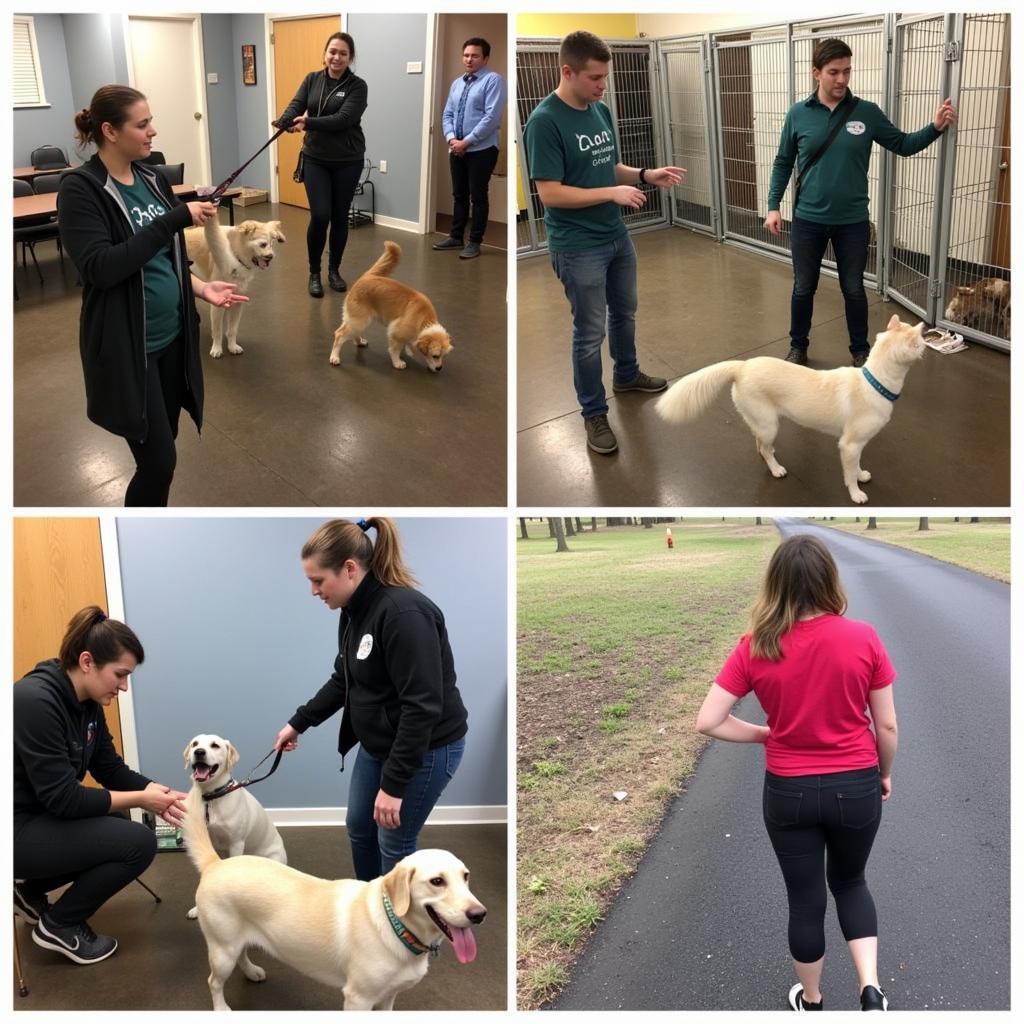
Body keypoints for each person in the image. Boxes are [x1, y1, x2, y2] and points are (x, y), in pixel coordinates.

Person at [696, 534, 898, 1012]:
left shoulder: (756, 645)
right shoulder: (863, 636)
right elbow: (886, 724)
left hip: (789, 791)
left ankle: (811, 1000)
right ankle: (870, 990)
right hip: (856, 783)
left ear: (776, 585)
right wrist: (882, 773)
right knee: (850, 882)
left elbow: (708, 720)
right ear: (829, 580)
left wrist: (767, 734)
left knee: (805, 898)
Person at [58, 85, 248, 507]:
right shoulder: (81, 190)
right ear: (109, 130)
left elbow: (167, 256)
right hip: (129, 349)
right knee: (159, 463)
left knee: (166, 445)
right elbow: (101, 268)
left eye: (151, 122)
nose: (152, 132)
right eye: (142, 125)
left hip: (173, 340)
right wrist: (174, 220)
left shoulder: (152, 178)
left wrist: (199, 287)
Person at [274, 517, 469, 881]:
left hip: (425, 748)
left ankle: (402, 932)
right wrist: (298, 723)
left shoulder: (404, 614)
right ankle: (369, 912)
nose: (314, 591)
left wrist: (394, 785)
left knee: (394, 842)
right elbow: (344, 680)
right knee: (359, 829)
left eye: (318, 580)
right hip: (378, 745)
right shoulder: (353, 612)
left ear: (349, 569)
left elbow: (421, 706)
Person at [524, 30, 686, 456]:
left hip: (615, 236)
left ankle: (627, 374)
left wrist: (644, 175)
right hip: (577, 246)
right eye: (595, 77)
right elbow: (551, 192)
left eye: (605, 77)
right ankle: (594, 412)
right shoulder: (544, 121)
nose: (603, 85)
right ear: (567, 71)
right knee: (589, 333)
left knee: (625, 313)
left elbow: (606, 164)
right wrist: (609, 195)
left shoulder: (600, 111)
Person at [765, 37, 956, 368]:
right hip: (808, 220)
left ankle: (859, 351)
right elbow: (783, 161)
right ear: (816, 73)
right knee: (803, 288)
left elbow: (903, 143)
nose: (841, 79)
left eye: (847, 71)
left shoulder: (866, 112)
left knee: (853, 289)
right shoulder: (798, 114)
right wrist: (773, 205)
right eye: (834, 72)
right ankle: (798, 346)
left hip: (852, 221)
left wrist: (935, 127)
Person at [14, 607, 189, 965]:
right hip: (14, 830)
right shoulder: (34, 702)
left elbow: (109, 768)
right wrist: (143, 799)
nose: (124, 687)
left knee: (121, 825)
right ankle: (59, 925)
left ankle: (28, 893)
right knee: (137, 843)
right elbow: (64, 799)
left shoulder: (88, 703)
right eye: (120, 675)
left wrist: (161, 791)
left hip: (40, 820)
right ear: (87, 661)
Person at [276, 31, 368, 298]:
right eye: (332, 51)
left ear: (350, 58)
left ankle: (334, 270)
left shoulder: (357, 86)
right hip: (315, 157)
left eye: (342, 53)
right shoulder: (312, 79)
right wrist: (286, 120)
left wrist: (307, 122)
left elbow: (344, 118)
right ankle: (314, 272)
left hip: (348, 160)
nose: (336, 57)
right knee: (320, 215)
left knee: (339, 217)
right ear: (325, 53)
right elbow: (297, 104)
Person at [432, 37, 506, 260]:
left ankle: (475, 242)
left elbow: (491, 117)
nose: (469, 59)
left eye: (474, 55)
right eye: (466, 55)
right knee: (459, 195)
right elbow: (447, 114)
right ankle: (456, 237)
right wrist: (452, 138)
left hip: (482, 150)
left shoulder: (494, 80)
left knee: (478, 196)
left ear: (485, 58)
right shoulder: (458, 83)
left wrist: (467, 141)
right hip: (456, 148)